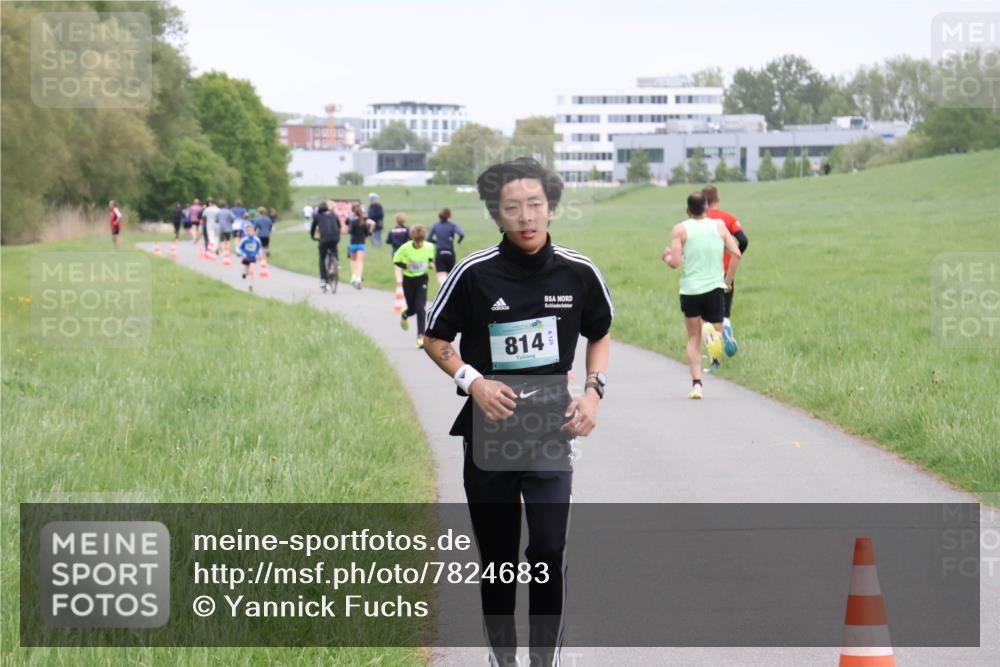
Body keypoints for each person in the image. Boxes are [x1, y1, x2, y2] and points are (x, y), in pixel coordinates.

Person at [423, 158, 613, 667]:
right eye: (512, 208)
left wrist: (593, 392)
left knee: (548, 551)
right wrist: (474, 382)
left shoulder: (578, 272)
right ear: (496, 214)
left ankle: (543, 660)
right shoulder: (473, 274)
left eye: (535, 205)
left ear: (551, 208)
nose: (526, 217)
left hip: (551, 430)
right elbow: (435, 338)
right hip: (490, 435)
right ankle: (502, 659)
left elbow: (599, 333)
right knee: (499, 560)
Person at [662, 191, 742, 399]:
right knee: (716, 325)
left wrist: (666, 257)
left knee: (693, 338)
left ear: (688, 210)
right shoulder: (720, 227)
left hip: (691, 290)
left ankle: (697, 385)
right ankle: (717, 336)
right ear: (706, 208)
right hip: (715, 287)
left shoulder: (680, 229)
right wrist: (728, 280)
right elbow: (736, 253)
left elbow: (675, 263)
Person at [702, 185, 748, 357]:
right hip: (727, 272)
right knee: (724, 311)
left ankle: (715, 350)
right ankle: (726, 329)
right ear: (718, 200)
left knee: (707, 315)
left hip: (706, 272)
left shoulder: (699, 220)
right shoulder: (729, 218)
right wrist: (733, 254)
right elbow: (744, 240)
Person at [394, 224, 435, 348]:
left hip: (422, 279)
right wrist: (406, 266)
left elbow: (430, 258)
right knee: (412, 309)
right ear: (412, 238)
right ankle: (405, 314)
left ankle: (420, 337)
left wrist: (430, 264)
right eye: (417, 241)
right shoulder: (405, 248)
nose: (419, 244)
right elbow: (396, 260)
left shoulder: (429, 246)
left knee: (420, 308)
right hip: (409, 280)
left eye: (421, 241)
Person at [310, 202, 345, 292]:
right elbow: (339, 226)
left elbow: (313, 228)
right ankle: (336, 263)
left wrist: (313, 237)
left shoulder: (317, 216)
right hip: (335, 237)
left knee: (322, 258)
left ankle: (323, 280)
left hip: (324, 239)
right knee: (334, 249)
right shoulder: (333, 215)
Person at [428, 207, 465, 284]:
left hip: (440, 253)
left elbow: (429, 238)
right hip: (450, 253)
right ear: (449, 215)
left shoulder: (435, 225)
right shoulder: (453, 225)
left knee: (441, 276)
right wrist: (459, 241)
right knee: (450, 277)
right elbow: (461, 234)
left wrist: (437, 242)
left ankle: (443, 288)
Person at [346, 203, 375, 289]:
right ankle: (358, 279)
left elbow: (349, 231)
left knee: (353, 261)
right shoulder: (363, 222)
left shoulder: (351, 220)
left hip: (352, 244)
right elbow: (367, 233)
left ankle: (353, 277)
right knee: (360, 262)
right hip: (361, 244)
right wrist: (370, 233)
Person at [237, 223, 263, 292]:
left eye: (251, 231)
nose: (250, 232)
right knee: (246, 271)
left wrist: (258, 254)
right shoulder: (244, 239)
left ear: (254, 231)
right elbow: (239, 248)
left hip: (253, 257)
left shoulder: (257, 240)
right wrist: (243, 254)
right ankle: (244, 272)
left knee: (251, 271)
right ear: (246, 231)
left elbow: (260, 248)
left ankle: (250, 285)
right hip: (246, 257)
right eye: (248, 231)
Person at [386, 212, 411, 283]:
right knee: (406, 267)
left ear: (396, 220)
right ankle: (406, 282)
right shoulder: (407, 230)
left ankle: (399, 283)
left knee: (397, 267)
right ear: (404, 220)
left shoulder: (392, 230)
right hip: (405, 251)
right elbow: (411, 239)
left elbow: (388, 241)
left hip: (395, 251)